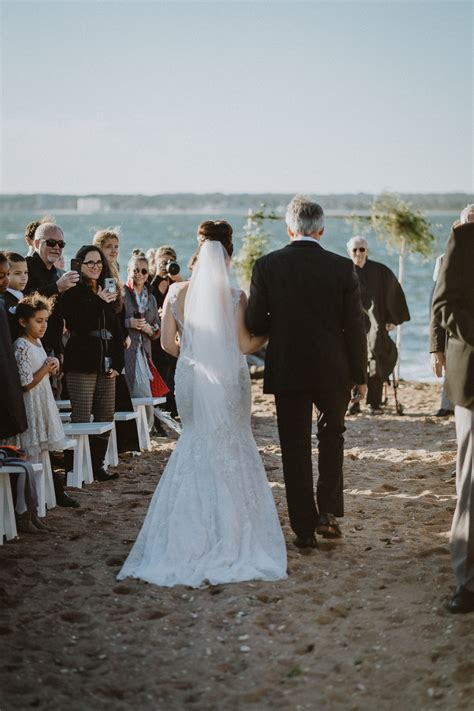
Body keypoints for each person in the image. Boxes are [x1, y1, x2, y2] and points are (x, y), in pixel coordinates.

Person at [118, 220, 287, 587]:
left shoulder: (176, 293)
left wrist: (194, 356)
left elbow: (166, 345)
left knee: (195, 441)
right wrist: (270, 332)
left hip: (193, 377)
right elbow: (244, 346)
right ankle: (231, 529)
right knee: (232, 443)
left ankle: (187, 530)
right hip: (229, 379)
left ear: (197, 252)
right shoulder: (235, 296)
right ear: (229, 255)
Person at [245, 197, 367, 548]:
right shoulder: (343, 268)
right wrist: (360, 375)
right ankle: (328, 512)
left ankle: (303, 528)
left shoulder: (267, 265)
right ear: (322, 230)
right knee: (332, 437)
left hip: (288, 367)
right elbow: (354, 328)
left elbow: (255, 321)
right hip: (334, 368)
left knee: (294, 446)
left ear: (289, 229)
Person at [432, 204, 474, 614]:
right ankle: (468, 580)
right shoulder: (463, 239)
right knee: (472, 482)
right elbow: (444, 306)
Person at [60, 245, 124, 482]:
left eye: (99, 263)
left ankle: (97, 466)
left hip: (107, 362)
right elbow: (79, 324)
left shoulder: (107, 290)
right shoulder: (72, 293)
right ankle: (74, 467)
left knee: (106, 415)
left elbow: (117, 330)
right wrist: (98, 301)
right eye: (90, 263)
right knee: (81, 416)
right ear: (79, 265)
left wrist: (118, 363)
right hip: (82, 362)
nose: (96, 267)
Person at [13, 294, 67, 531]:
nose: (43, 325)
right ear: (24, 322)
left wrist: (51, 364)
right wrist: (45, 369)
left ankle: (34, 511)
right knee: (29, 461)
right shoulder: (21, 345)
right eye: (38, 321)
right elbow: (25, 382)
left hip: (43, 402)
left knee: (38, 462)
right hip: (30, 405)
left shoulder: (37, 343)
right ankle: (23, 513)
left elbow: (43, 370)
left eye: (45, 320)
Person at [346, 235, 410, 415]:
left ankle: (374, 403)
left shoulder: (380, 271)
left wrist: (393, 319)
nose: (358, 253)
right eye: (355, 250)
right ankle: (354, 403)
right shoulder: (344, 271)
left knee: (377, 359)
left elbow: (394, 294)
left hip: (376, 323)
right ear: (349, 252)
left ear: (367, 251)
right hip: (352, 324)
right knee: (353, 361)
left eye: (362, 249)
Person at [123, 254, 162, 431]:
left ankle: (145, 430)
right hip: (126, 350)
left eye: (143, 271)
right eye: (135, 270)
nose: (139, 274)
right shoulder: (121, 293)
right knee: (129, 393)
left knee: (145, 394)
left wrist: (148, 329)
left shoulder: (152, 299)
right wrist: (128, 323)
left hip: (144, 353)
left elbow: (157, 330)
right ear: (129, 271)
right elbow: (112, 322)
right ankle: (134, 434)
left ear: (148, 275)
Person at [149, 245, 183, 419]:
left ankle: (171, 408)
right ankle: (158, 413)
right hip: (154, 337)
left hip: (172, 335)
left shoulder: (176, 284)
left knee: (172, 373)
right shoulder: (149, 281)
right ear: (154, 263)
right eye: (163, 262)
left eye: (171, 262)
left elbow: (187, 299)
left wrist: (177, 278)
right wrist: (157, 276)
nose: (167, 265)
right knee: (159, 374)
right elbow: (147, 295)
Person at [429, 254, 454, 416]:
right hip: (456, 331)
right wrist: (436, 349)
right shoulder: (444, 259)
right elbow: (437, 306)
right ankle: (447, 405)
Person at [3, 253, 29, 341]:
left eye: (26, 272)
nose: (24, 277)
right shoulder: (4, 301)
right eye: (17, 273)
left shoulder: (25, 295)